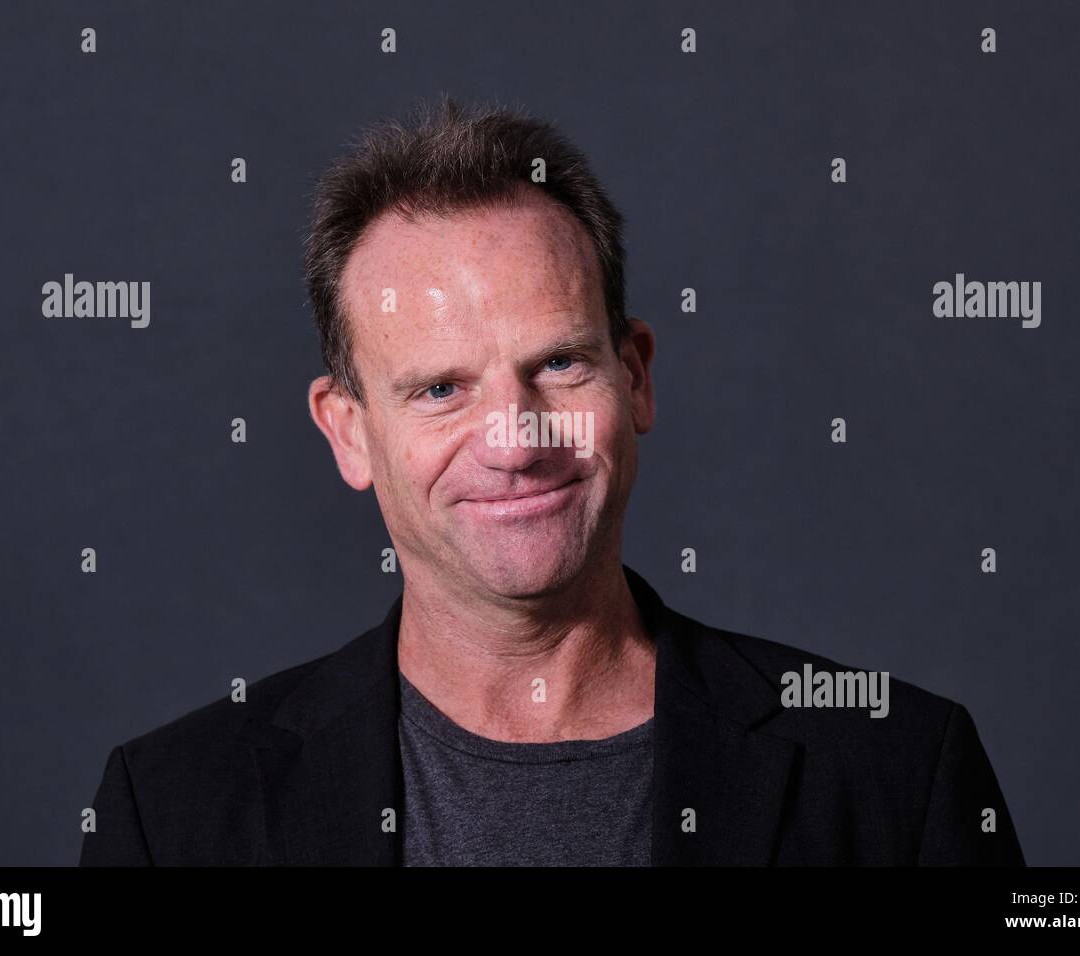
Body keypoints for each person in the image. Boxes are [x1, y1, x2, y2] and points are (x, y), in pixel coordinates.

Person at [80, 95, 1025, 866]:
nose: (516, 438)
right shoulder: (173, 816)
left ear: (637, 376)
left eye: (561, 365)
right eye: (441, 388)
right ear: (349, 431)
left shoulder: (895, 772)